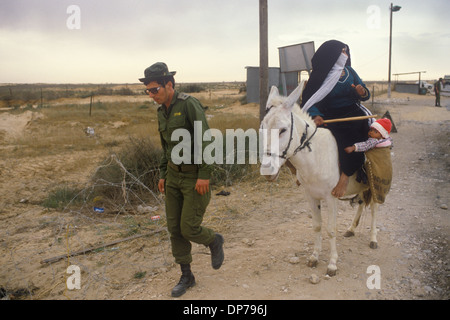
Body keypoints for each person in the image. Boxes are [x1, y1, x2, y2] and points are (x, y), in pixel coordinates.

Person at [139, 62, 224, 297]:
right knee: (174, 228)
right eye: (148, 91)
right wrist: (163, 174)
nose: (151, 95)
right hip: (173, 176)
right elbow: (166, 146)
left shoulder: (189, 105)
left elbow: (205, 138)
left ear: (169, 85)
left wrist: (205, 174)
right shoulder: (160, 112)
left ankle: (214, 240)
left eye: (154, 89)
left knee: (189, 227)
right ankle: (187, 276)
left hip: (194, 176)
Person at [301, 40, 372, 198]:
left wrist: (361, 92)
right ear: (332, 55)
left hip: (353, 111)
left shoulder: (349, 72)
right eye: (343, 52)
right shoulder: (320, 76)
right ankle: (305, 174)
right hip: (331, 114)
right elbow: (310, 99)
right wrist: (316, 115)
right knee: (325, 136)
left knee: (360, 130)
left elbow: (364, 92)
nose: (346, 55)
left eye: (346, 52)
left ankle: (346, 176)